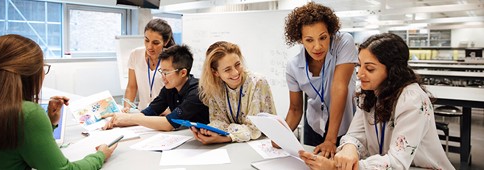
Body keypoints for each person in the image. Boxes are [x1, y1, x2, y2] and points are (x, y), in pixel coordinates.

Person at [299, 33, 455, 170]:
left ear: (392, 71)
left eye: (370, 69)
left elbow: (397, 163)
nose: (359, 74)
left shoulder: (412, 100)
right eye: (359, 65)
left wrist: (337, 167)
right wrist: (349, 147)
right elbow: (355, 134)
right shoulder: (370, 94)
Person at [0, 34, 118, 169]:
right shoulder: (27, 114)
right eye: (43, 67)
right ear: (30, 73)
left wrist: (51, 122)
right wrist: (100, 155)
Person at [282, 2, 358, 157]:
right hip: (315, 125)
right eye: (309, 40)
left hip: (344, 124)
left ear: (330, 32)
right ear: (300, 39)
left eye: (323, 38)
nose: (317, 46)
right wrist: (281, 136)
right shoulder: (293, 66)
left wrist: (330, 140)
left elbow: (339, 87)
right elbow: (295, 109)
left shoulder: (343, 43)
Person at [104, 44, 209, 131]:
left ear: (183, 72)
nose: (163, 77)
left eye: (166, 72)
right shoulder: (169, 88)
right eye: (161, 71)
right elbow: (148, 112)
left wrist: (130, 118)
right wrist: (120, 120)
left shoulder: (197, 91)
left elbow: (169, 123)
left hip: (208, 142)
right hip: (187, 136)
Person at [191, 41, 277, 144]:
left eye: (237, 64)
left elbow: (254, 129)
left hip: (261, 144)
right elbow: (218, 121)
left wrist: (225, 137)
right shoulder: (215, 87)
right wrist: (209, 130)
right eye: (227, 70)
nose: (235, 72)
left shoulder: (257, 82)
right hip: (233, 145)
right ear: (215, 72)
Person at [123, 18, 175, 113]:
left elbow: (175, 92)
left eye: (155, 43)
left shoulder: (172, 60)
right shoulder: (135, 54)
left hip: (164, 114)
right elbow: (132, 87)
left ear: (166, 42)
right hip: (142, 112)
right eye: (146, 40)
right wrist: (127, 108)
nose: (149, 47)